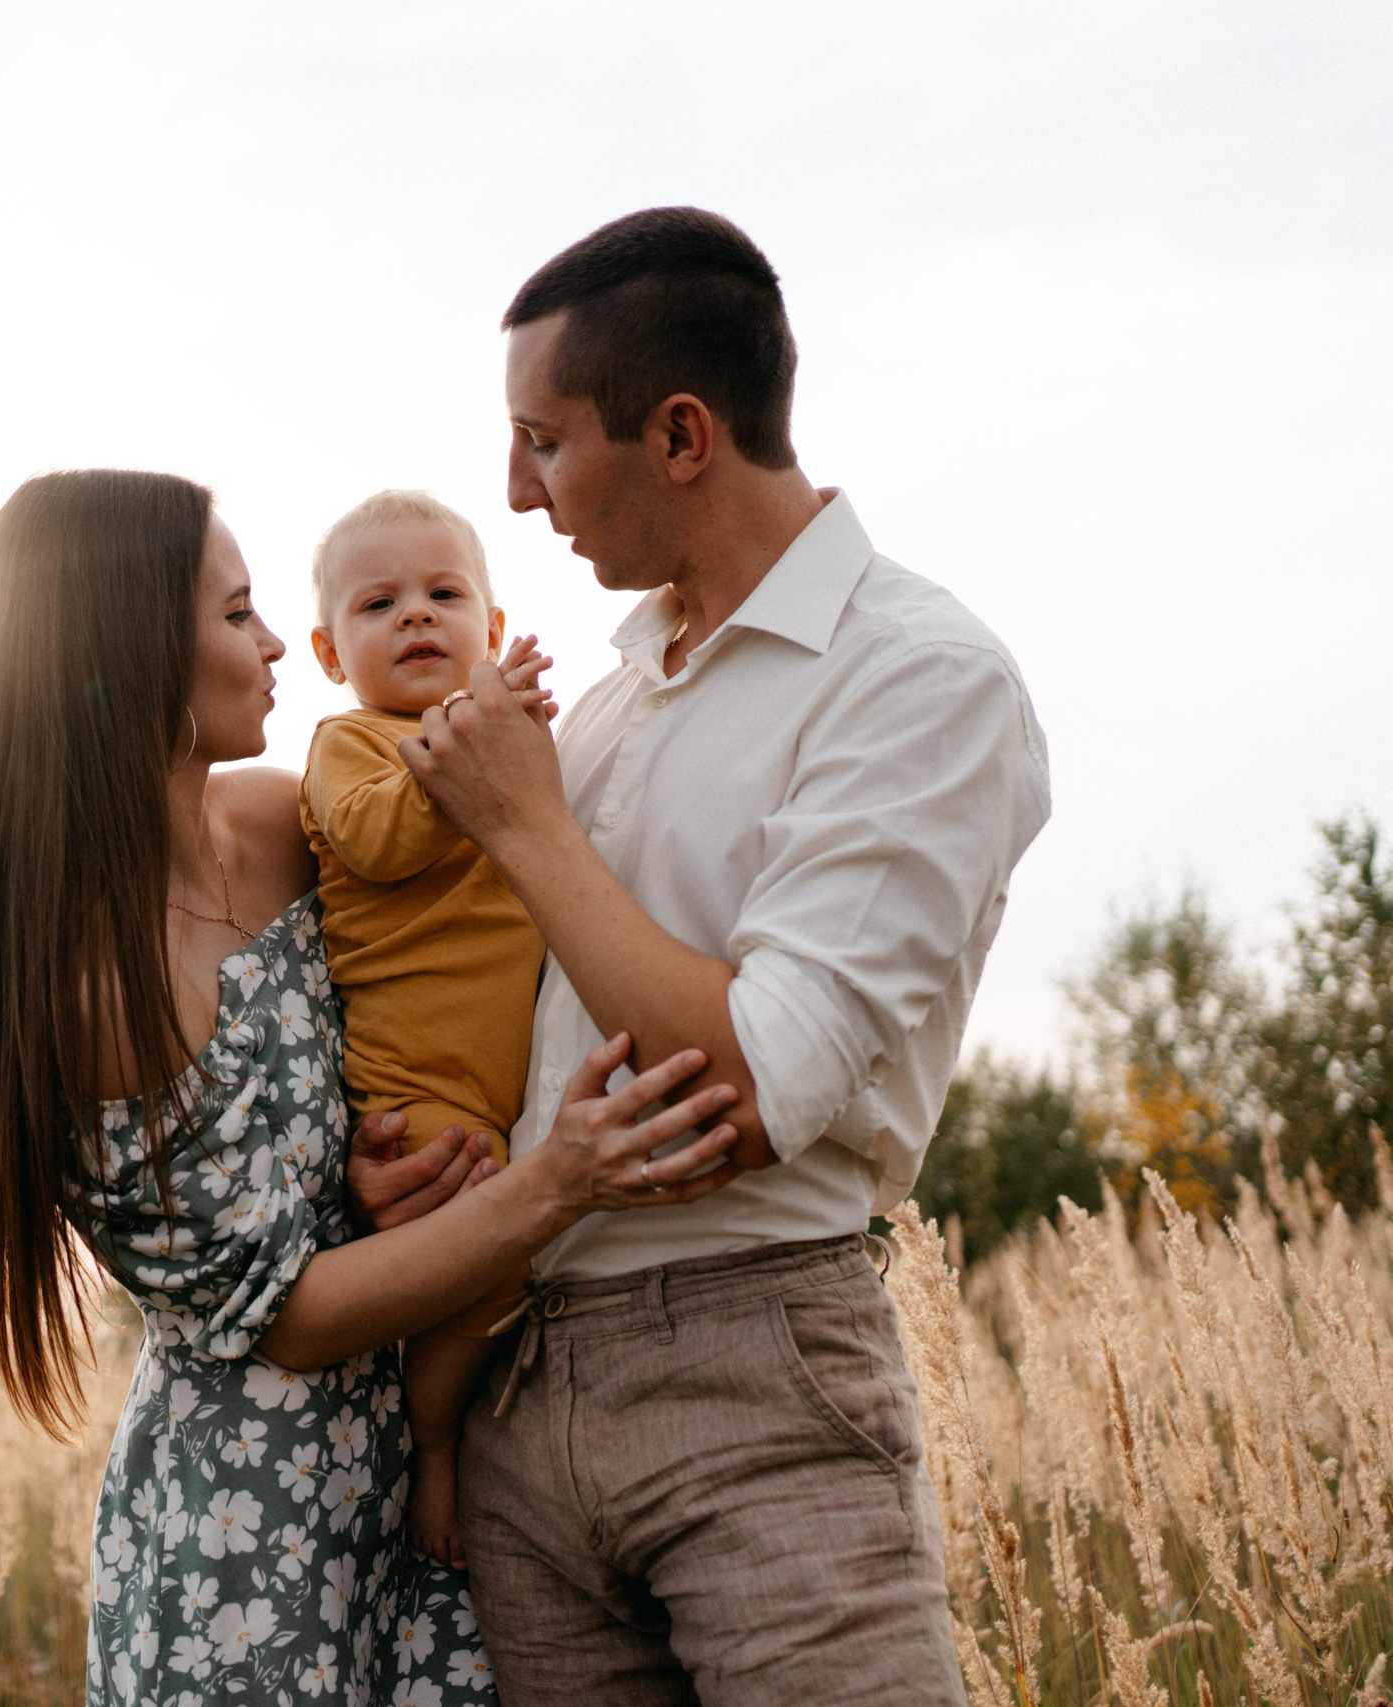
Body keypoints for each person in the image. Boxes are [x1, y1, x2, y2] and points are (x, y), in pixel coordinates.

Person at [0, 467, 746, 1706]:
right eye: (234, 614)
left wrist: (363, 1162)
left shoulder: (277, 823)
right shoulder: (92, 984)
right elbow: (287, 1313)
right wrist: (557, 1181)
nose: (272, 645)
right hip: (252, 1543)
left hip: (424, 1476)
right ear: (127, 649)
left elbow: (400, 1002)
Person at [394, 208, 1053, 1705]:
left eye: (543, 441)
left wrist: (526, 825)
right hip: (522, 1386)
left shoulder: (920, 675)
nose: (513, 489)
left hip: (753, 1366)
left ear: (681, 432)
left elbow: (755, 1085)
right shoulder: (616, 695)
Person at [299, 488, 550, 1571]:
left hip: (516, 1073)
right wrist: (463, 758)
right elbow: (375, 845)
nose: (415, 617)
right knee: (486, 1257)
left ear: (491, 633)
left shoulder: (501, 742)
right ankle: (434, 1445)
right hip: (423, 1085)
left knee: (522, 1262)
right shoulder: (349, 745)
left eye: (444, 595)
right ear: (327, 649)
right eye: (378, 603)